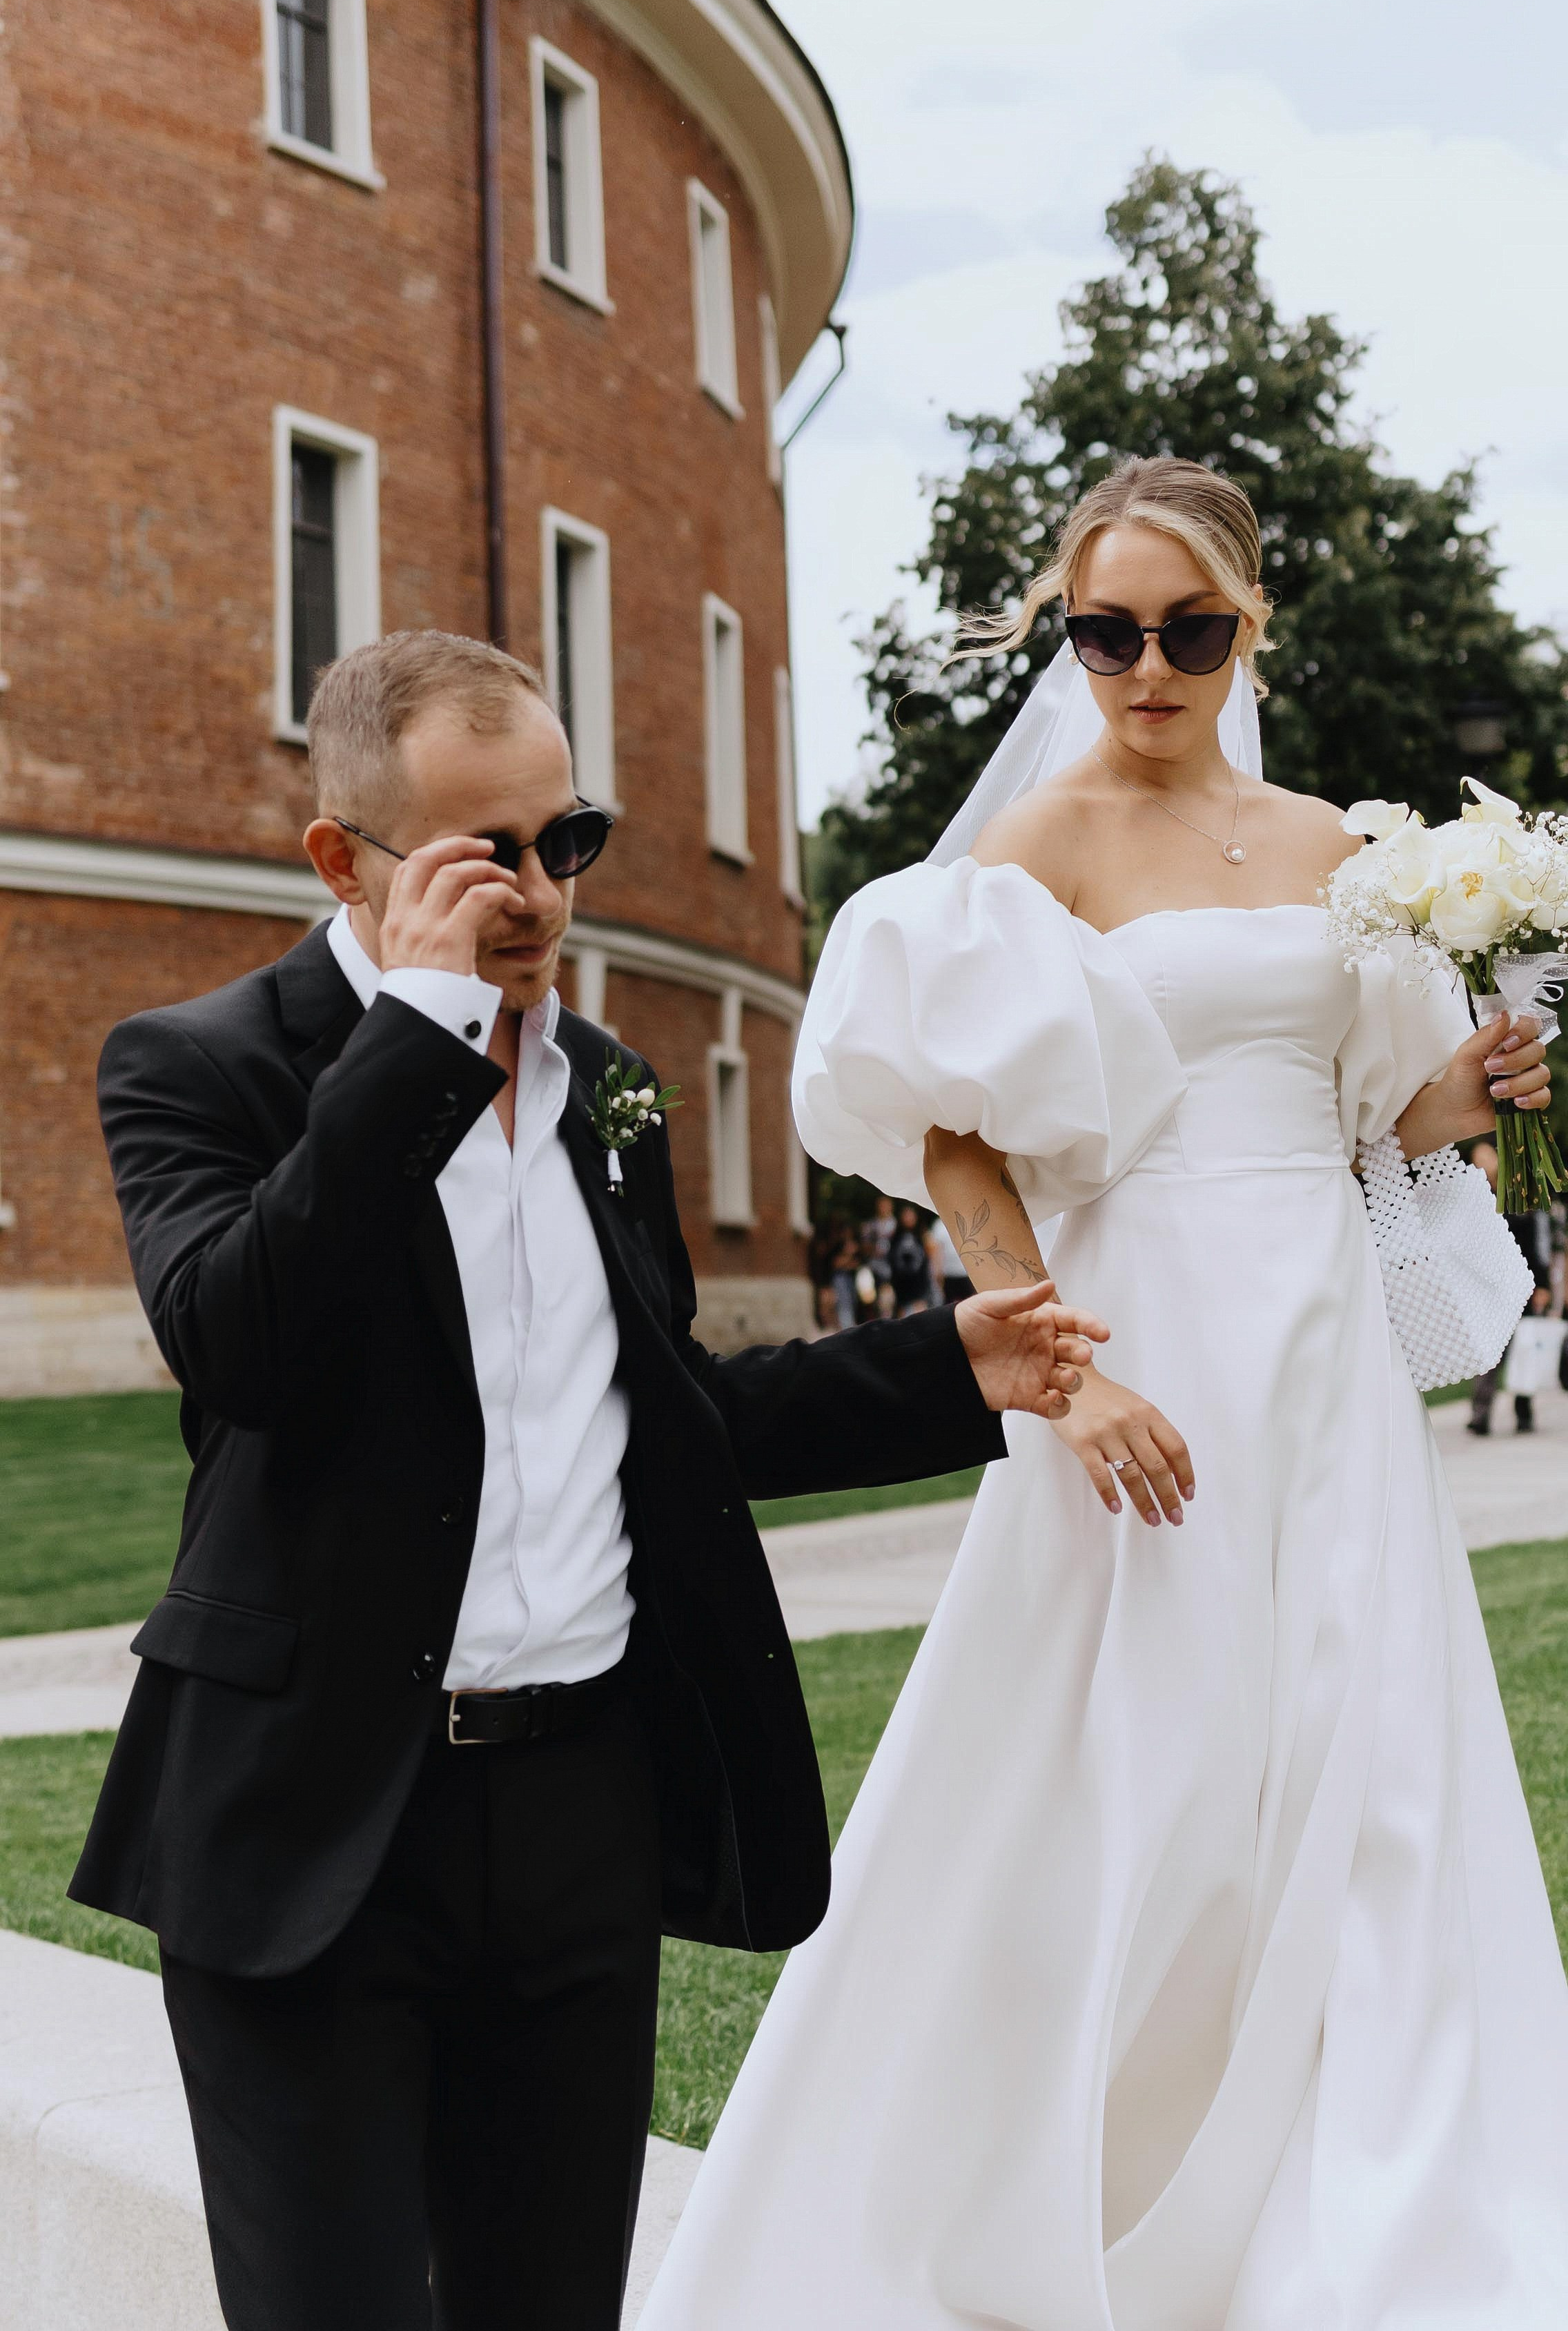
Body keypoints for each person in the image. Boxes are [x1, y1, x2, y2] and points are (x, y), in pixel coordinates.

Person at [70, 630, 1111, 2331]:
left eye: (572, 838)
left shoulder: (612, 1094)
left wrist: (941, 1365)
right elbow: (240, 1345)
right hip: (313, 1819)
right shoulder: (199, 1066)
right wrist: (415, 1036)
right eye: (492, 852)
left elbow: (660, 1411)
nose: (544, 891)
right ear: (347, 859)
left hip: (574, 1814)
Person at [640, 457, 1568, 2328]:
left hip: (1321, 1357)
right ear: (1069, 635)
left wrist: (1479, 1084)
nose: (1147, 667)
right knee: (1133, 1774)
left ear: (1249, 629)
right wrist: (1056, 1369)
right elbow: (949, 1134)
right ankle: (1048, 2204)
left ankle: (1377, 2235)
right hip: (1135, 1351)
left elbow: (1368, 1114)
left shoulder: (1334, 846)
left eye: (1189, 630)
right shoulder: (1028, 854)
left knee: (1364, 1765)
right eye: (1107, 631)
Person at [1469, 1138, 1554, 1433]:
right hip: (1491, 1290)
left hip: (1525, 1286)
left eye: (1487, 1158)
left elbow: (1540, 1243)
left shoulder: (1522, 1193)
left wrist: (1542, 1284)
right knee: (1489, 1354)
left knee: (1525, 1349)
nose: (1483, 1165)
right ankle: (1480, 1415)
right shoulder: (1478, 1199)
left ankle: (1524, 1411)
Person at [888, 1203, 934, 1316]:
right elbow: (892, 1259)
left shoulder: (923, 1235)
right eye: (906, 1216)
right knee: (903, 1314)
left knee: (920, 1313)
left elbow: (930, 1255)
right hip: (902, 1282)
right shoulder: (896, 1236)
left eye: (911, 1215)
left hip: (919, 1281)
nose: (908, 1219)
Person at [928, 1214, 973, 1305]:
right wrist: (938, 1273)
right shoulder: (939, 1225)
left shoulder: (967, 1221)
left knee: (970, 1304)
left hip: (965, 1273)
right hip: (949, 1273)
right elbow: (936, 1252)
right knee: (950, 1306)